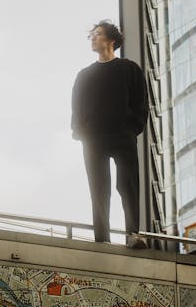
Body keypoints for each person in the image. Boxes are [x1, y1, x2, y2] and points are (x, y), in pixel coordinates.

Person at [71, 20, 148, 249]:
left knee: (128, 185)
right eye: (92, 35)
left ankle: (133, 234)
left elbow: (141, 103)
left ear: (111, 39)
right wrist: (81, 132)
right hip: (94, 140)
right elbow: (77, 108)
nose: (93, 38)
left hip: (123, 137)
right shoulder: (84, 75)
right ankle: (102, 238)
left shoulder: (129, 68)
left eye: (98, 34)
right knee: (99, 188)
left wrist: (131, 128)